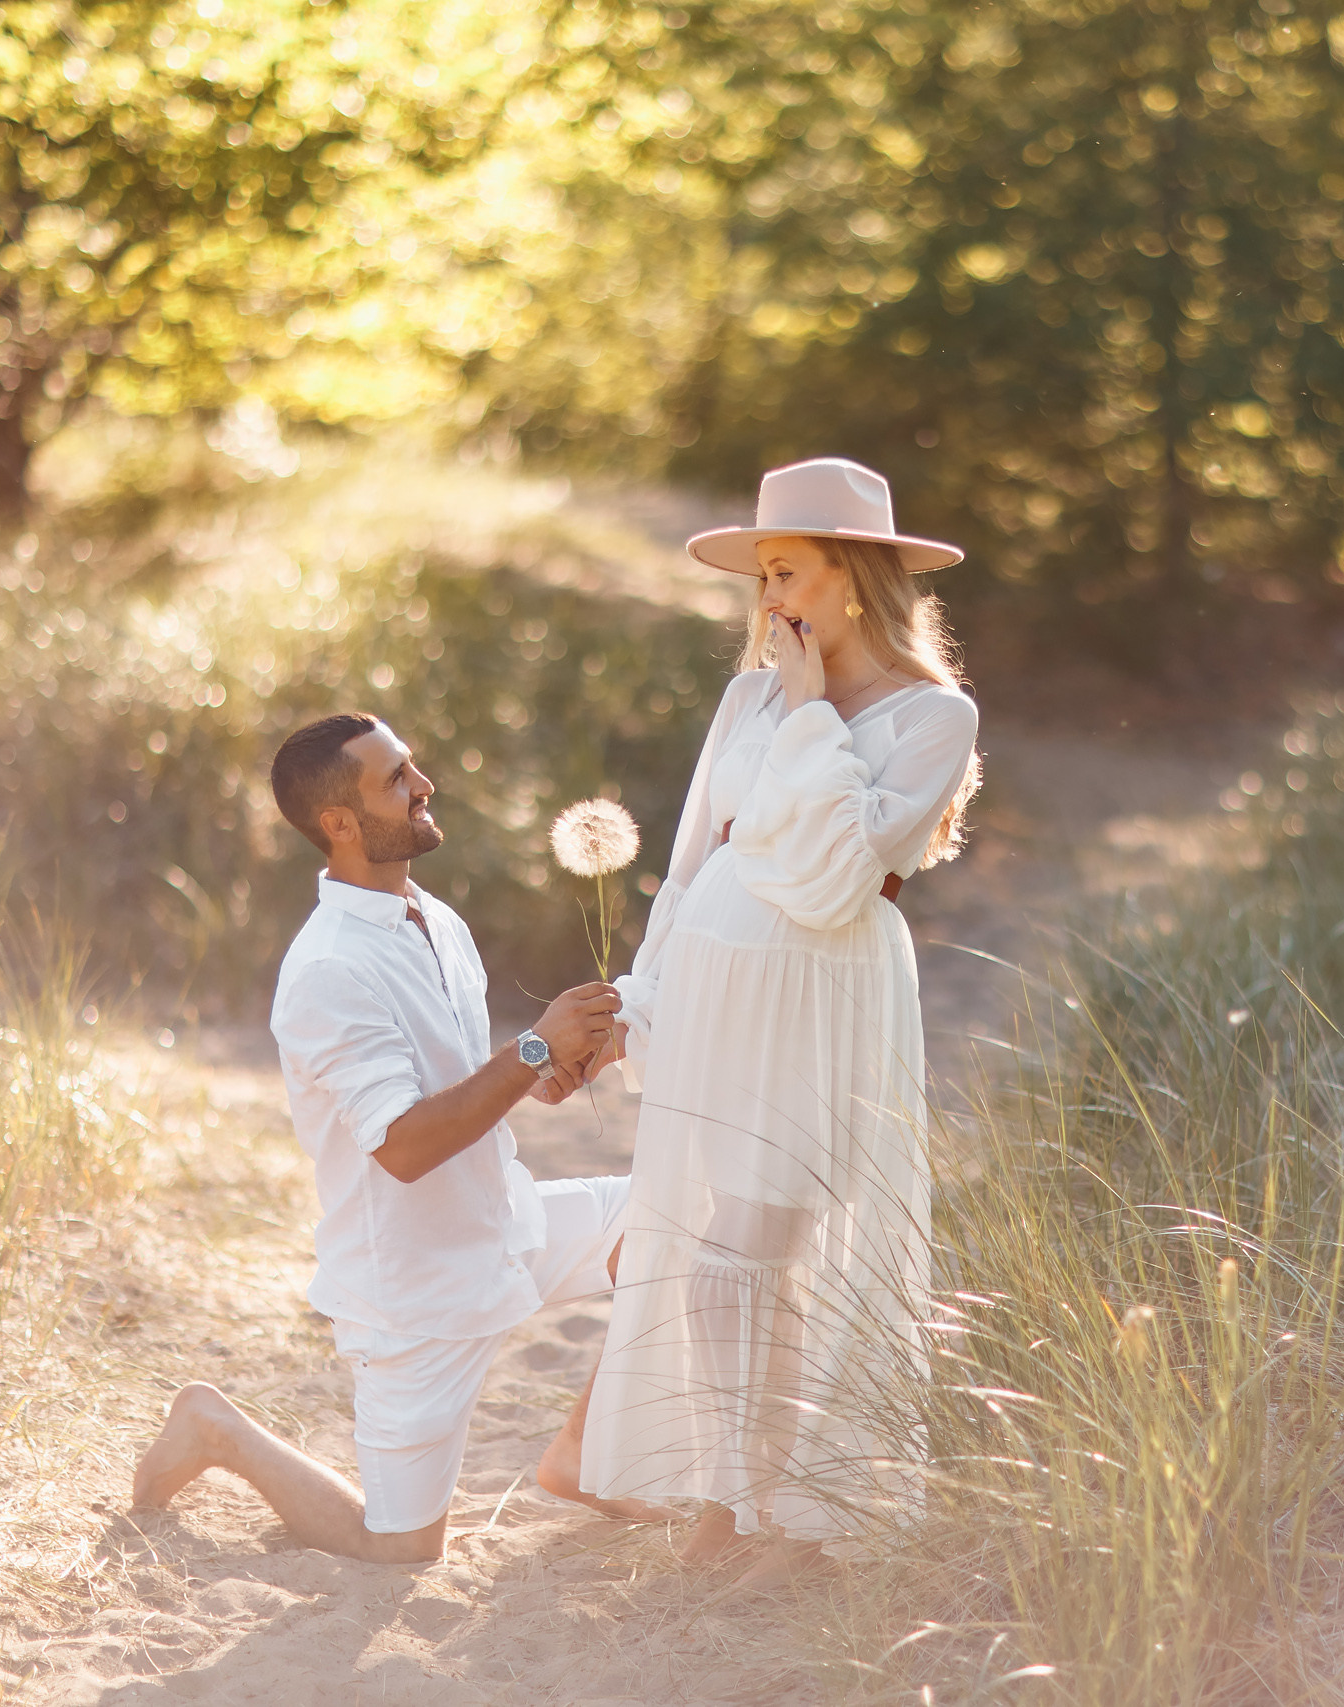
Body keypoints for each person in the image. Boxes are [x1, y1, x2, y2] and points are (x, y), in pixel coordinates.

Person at [578, 457, 981, 1589]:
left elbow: (841, 876)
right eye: (762, 574)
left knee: (742, 1253)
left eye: (788, 570)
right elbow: (696, 854)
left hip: (819, 1002)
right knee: (746, 1256)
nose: (770, 599)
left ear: (852, 576)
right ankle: (751, 1499)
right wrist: (641, 1002)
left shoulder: (933, 715)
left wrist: (813, 716)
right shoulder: (747, 696)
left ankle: (752, 1507)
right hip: (713, 988)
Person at [129, 712, 631, 1562]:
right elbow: (402, 1146)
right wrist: (533, 1046)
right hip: (415, 1290)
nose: (424, 783)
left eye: (413, 766)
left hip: (508, 1226)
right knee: (398, 1549)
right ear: (339, 823)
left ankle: (587, 1456)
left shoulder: (430, 916)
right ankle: (217, 1428)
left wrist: (550, 1073)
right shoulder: (329, 969)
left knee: (680, 1222)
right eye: (397, 777)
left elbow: (462, 1083)